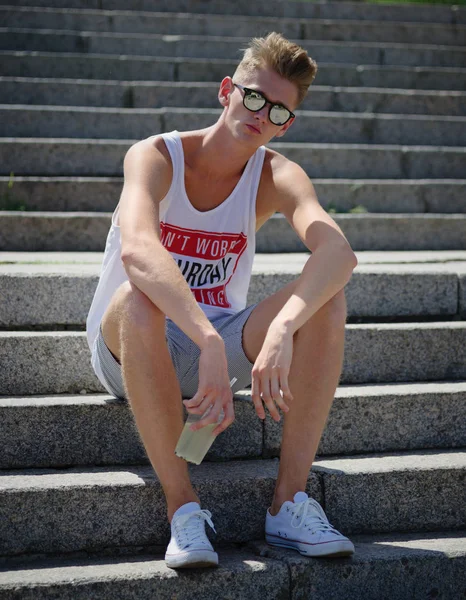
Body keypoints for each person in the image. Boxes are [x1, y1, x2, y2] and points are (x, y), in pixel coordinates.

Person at [86, 32, 358, 569]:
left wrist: (281, 331)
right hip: (132, 346)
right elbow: (139, 251)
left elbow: (339, 255)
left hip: (220, 345)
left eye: (277, 109)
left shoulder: (277, 175)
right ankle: (183, 508)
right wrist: (207, 338)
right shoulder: (157, 156)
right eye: (254, 96)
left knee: (326, 300)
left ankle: (289, 504)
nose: (261, 113)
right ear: (226, 90)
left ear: (287, 123)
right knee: (141, 297)